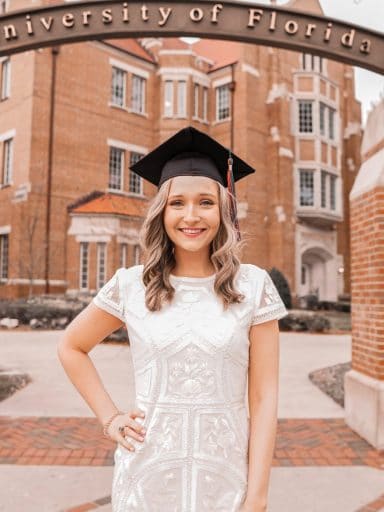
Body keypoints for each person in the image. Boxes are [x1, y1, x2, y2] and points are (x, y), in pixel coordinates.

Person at [57, 126, 288, 512]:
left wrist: (258, 496)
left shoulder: (253, 285)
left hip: (226, 478)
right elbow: (71, 347)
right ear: (161, 210)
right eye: (177, 202)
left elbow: (264, 398)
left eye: (205, 203)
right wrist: (110, 417)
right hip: (147, 479)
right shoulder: (131, 285)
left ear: (224, 209)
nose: (191, 216)